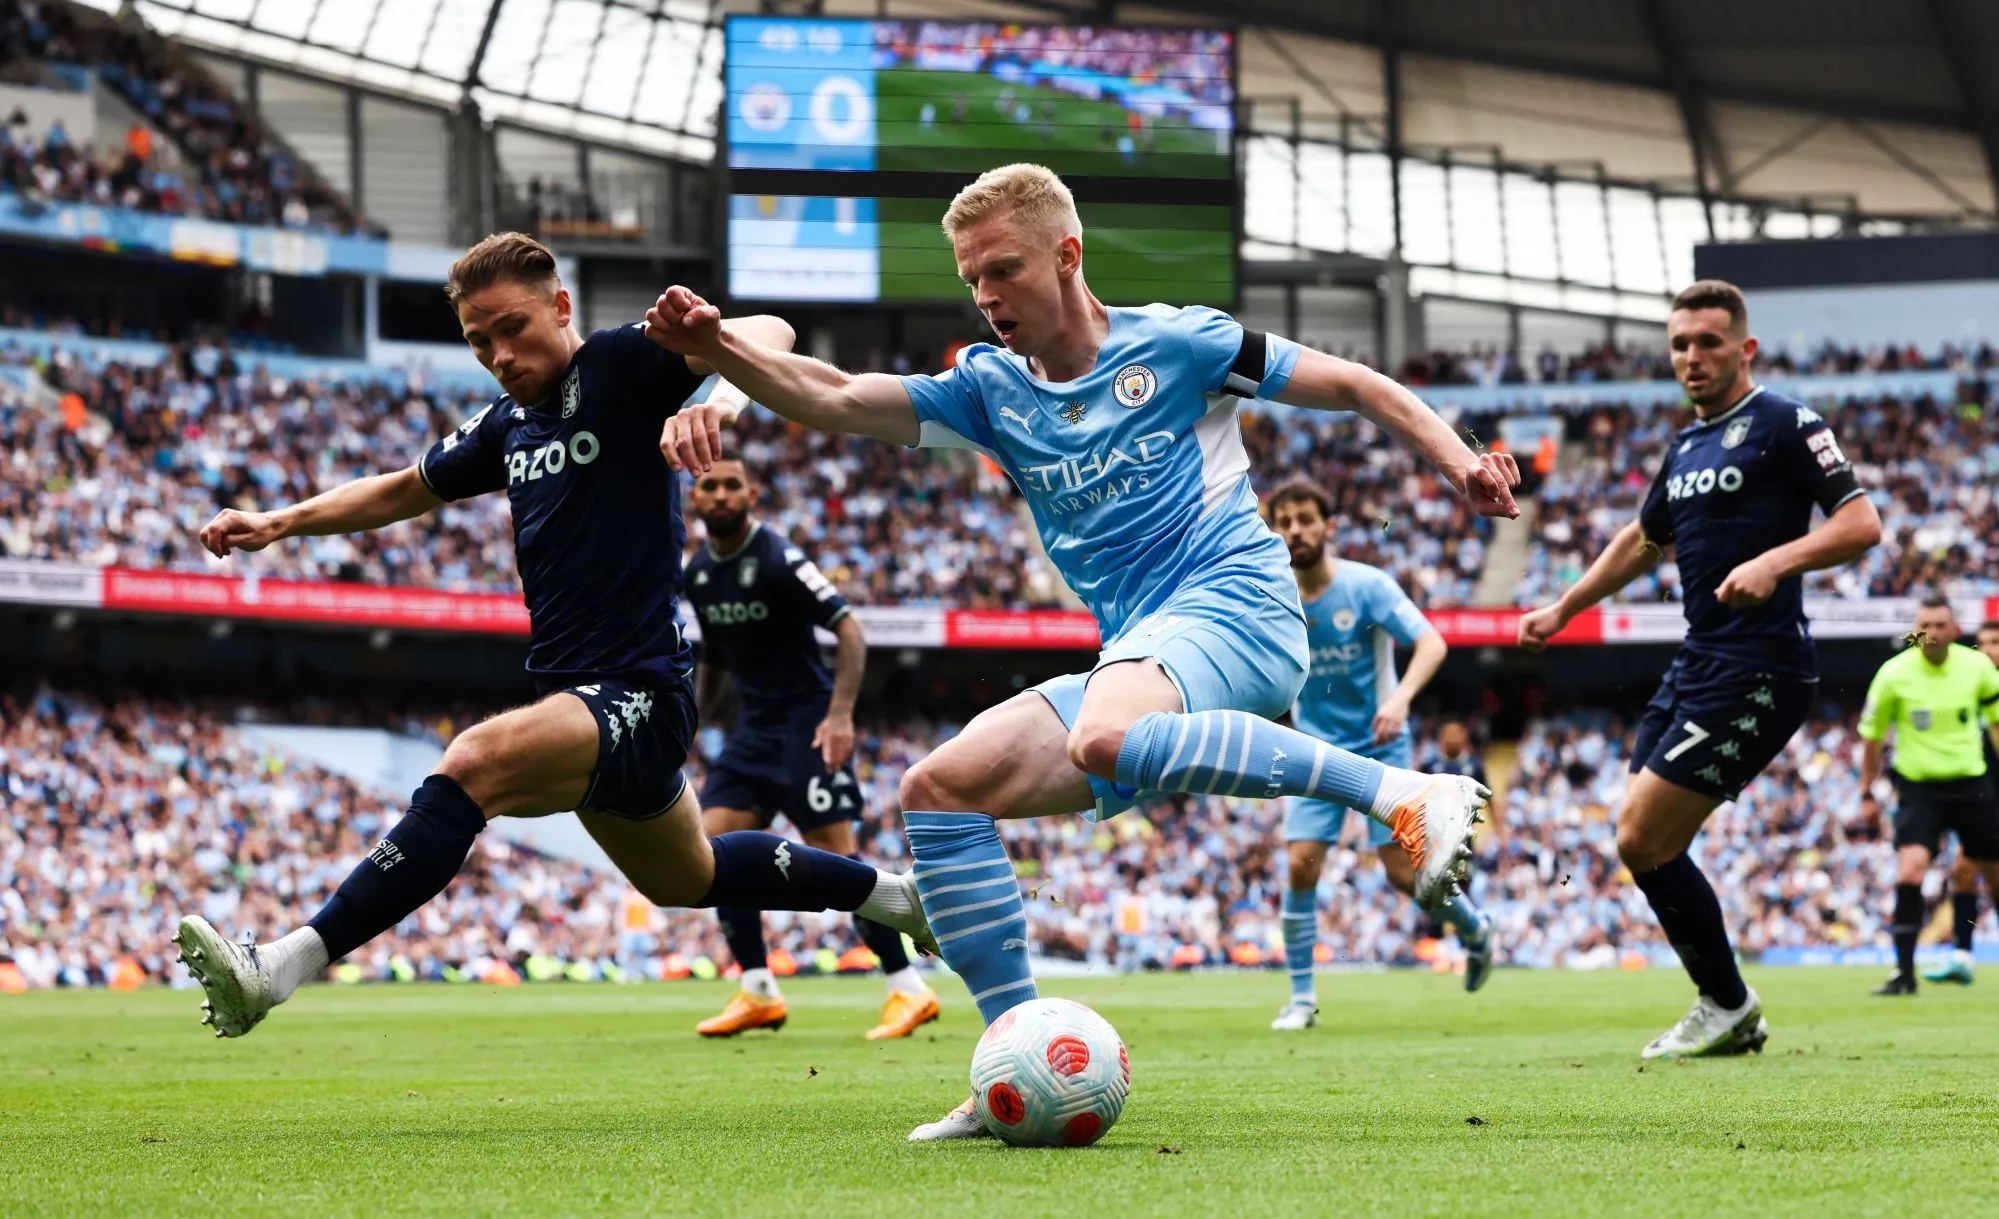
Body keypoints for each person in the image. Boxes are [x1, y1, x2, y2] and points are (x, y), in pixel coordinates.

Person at [646, 163, 1518, 1139]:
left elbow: (1353, 384)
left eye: (1003, 270)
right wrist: (718, 352)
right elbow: (841, 395)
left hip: (1239, 603)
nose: (984, 295)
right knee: (940, 787)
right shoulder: (989, 390)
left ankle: (1401, 793)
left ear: (1066, 255)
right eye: (970, 277)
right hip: (1140, 645)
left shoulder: (1182, 343)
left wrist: (1460, 463)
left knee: (1105, 733)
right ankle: (1008, 1058)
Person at [172, 233, 933, 1038]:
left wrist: (720, 393)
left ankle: (282, 966)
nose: (499, 354)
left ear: (560, 307)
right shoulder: (506, 426)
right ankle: (899, 897)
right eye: (478, 342)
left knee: (472, 763)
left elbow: (772, 328)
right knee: (689, 875)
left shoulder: (620, 364)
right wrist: (277, 522)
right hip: (578, 698)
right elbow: (401, 488)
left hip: (638, 689)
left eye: (512, 328)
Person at [1519, 278, 1881, 1059]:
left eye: (1708, 342)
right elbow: (1641, 540)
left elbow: (1861, 523)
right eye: (1680, 343)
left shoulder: (1785, 422)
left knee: (1640, 834)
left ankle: (1726, 1002)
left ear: (1743, 348)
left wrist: (1775, 563)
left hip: (1761, 665)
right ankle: (1725, 1002)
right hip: (1698, 659)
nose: (1690, 357)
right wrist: (1563, 607)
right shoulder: (1684, 447)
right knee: (1643, 840)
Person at [683, 458, 940, 1039]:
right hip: (751, 737)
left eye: (731, 485)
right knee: (710, 855)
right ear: (694, 499)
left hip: (808, 728)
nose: (720, 495)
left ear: (751, 493)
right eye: (708, 486)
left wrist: (841, 714)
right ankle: (757, 989)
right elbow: (717, 661)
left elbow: (848, 627)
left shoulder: (778, 558)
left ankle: (907, 987)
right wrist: (692, 724)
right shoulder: (697, 574)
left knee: (839, 863)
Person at [1262, 479, 1495, 1033]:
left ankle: (1473, 927)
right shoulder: (1272, 592)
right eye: (1285, 521)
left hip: (1381, 744)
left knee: (1400, 875)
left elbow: (1432, 642)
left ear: (1329, 527)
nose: (1296, 530)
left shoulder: (1367, 586)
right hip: (1314, 748)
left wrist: (1401, 697)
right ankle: (1301, 1000)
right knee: (1299, 865)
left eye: (1306, 519)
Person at [1856, 597, 1999, 995]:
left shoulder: (1977, 669)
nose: (1932, 633)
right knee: (1910, 871)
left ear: (1955, 631)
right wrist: (1866, 792)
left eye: (1940, 625)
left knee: (1993, 878)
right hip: (1919, 789)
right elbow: (1871, 738)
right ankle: (1904, 974)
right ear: (1914, 632)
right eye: (1925, 626)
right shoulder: (1893, 675)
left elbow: (1996, 724)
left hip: (1971, 785)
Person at [1926, 618, 1999, 983]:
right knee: (1964, 872)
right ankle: (1962, 954)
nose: (1987, 651)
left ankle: (1963, 954)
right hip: (1982, 799)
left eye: (1996, 643)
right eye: (1982, 643)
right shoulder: (1970, 691)